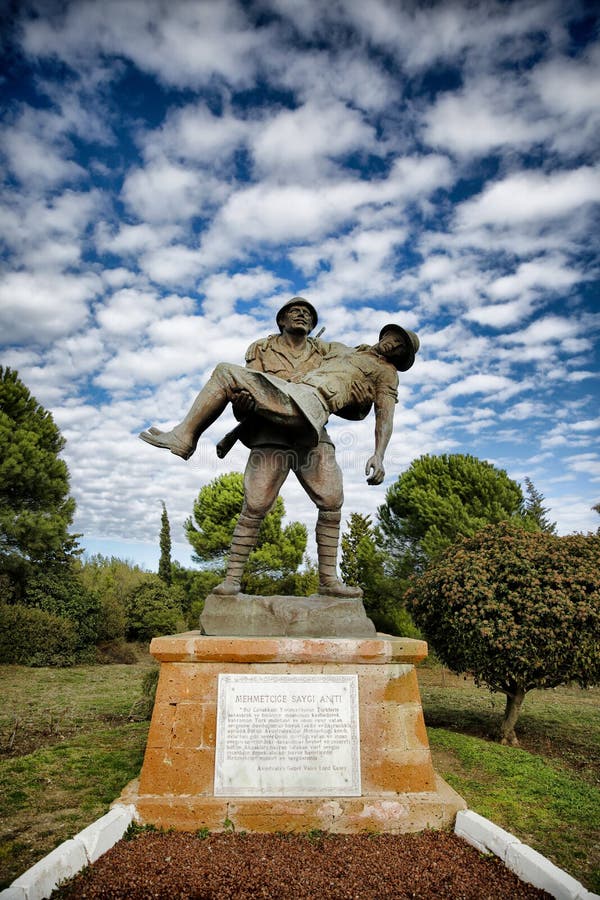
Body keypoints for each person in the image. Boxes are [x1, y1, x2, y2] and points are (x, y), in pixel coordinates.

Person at [140, 302, 419, 597]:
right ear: (281, 319)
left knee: (332, 500)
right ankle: (232, 580)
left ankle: (329, 582)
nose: (393, 344)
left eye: (400, 347)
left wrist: (377, 448)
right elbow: (247, 395)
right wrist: (243, 403)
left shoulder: (353, 360)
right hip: (272, 430)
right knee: (255, 505)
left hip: (309, 422)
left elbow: (379, 413)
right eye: (393, 337)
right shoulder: (330, 349)